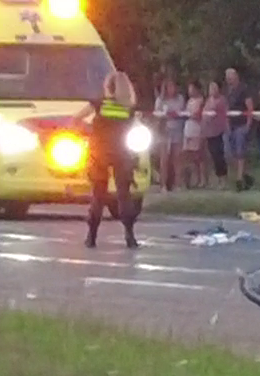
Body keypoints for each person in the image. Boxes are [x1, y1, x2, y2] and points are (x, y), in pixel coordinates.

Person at [76, 71, 142, 249]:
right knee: (123, 195)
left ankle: (91, 237)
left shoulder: (99, 104)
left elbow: (77, 119)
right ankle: (130, 236)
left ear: (108, 87)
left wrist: (91, 129)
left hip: (99, 154)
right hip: (122, 154)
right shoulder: (128, 109)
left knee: (98, 195)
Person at [224, 66, 254, 191]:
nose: (229, 81)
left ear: (236, 76)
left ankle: (239, 180)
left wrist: (248, 124)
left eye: (231, 78)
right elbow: (226, 109)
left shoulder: (244, 89)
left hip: (241, 125)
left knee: (240, 151)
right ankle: (245, 176)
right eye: (227, 79)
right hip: (231, 125)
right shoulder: (229, 91)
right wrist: (226, 124)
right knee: (232, 153)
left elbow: (249, 107)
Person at [153, 76, 183, 192]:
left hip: (177, 130)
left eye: (173, 86)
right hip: (164, 131)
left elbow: (181, 112)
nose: (171, 89)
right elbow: (157, 115)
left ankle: (177, 184)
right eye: (169, 87)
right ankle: (163, 185)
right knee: (164, 159)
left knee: (177, 158)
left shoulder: (179, 99)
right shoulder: (160, 100)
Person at [200, 80, 229, 187]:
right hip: (208, 132)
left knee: (219, 155)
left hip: (218, 131)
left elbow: (224, 114)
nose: (212, 90)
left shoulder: (222, 100)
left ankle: (223, 179)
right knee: (212, 155)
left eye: (214, 88)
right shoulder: (208, 101)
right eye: (210, 88)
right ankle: (218, 178)